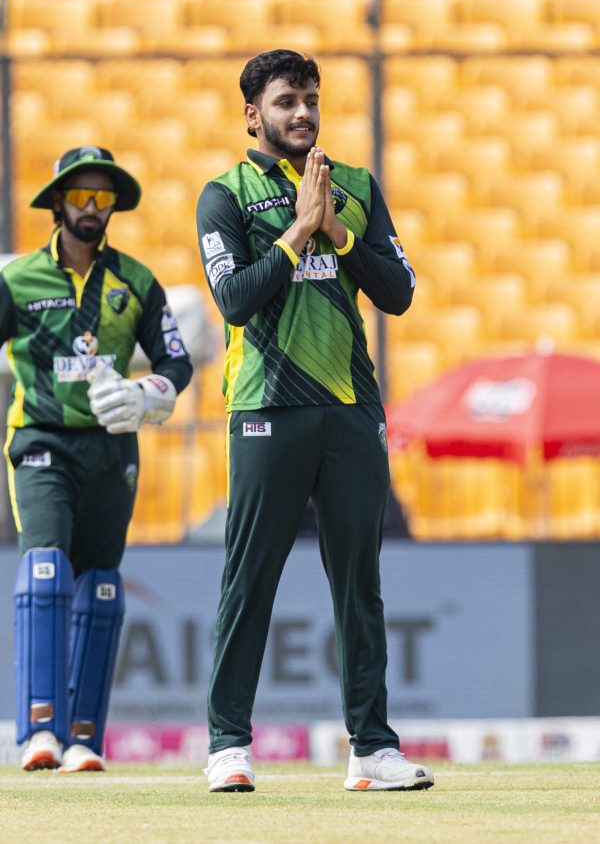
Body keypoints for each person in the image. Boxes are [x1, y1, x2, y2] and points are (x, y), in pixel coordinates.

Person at [196, 50, 434, 793]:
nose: (302, 113)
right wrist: (297, 232)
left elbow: (398, 292)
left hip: (349, 410)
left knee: (359, 581)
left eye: (310, 99)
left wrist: (335, 231)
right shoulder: (224, 194)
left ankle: (371, 748)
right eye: (286, 101)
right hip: (265, 408)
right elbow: (234, 301)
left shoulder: (357, 188)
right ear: (252, 115)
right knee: (250, 578)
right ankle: (229, 745)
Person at [0, 146, 193, 772]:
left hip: (113, 449)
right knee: (47, 569)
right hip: (43, 442)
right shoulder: (19, 279)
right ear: (56, 202)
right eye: (80, 196)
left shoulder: (135, 282)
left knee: (102, 587)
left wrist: (146, 395)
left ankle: (84, 738)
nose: (91, 208)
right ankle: (39, 732)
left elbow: (176, 362)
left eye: (103, 198)